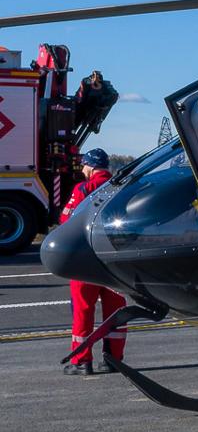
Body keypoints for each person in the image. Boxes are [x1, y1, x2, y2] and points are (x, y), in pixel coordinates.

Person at [63, 148, 125, 375]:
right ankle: (113, 359)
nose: (82, 169)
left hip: (86, 259)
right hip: (115, 260)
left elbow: (66, 219)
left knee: (83, 309)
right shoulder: (121, 188)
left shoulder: (83, 188)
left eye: (84, 165)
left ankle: (82, 361)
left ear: (90, 166)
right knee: (115, 310)